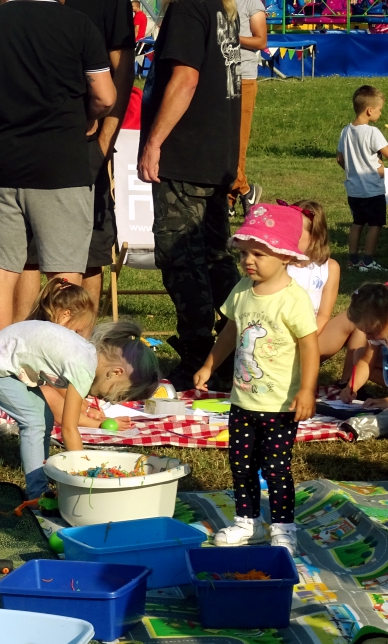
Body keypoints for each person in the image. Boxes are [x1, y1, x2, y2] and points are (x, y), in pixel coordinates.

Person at [0, 0, 116, 337]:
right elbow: (105, 96)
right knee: (65, 277)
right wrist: (87, 119)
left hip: (1, 164)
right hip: (63, 165)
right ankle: (60, 362)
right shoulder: (79, 25)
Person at [193, 204, 319, 555]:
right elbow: (230, 332)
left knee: (276, 469)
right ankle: (247, 521)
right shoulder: (242, 290)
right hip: (243, 401)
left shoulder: (293, 299)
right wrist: (209, 365)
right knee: (241, 464)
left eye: (258, 254)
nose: (248, 260)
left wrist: (308, 390)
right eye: (245, 253)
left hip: (280, 405)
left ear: (285, 256)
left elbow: (310, 346)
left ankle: (283, 527)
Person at [137, 0, 243, 390]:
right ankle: (237, 348)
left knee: (181, 256)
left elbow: (186, 80)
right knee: (215, 257)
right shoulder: (219, 7)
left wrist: (154, 142)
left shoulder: (188, 7)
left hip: (186, 154)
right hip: (213, 154)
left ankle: (199, 353)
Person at [0, 318, 158, 505]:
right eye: (114, 394)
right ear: (115, 372)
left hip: (4, 362)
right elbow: (69, 429)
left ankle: (41, 478)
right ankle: (37, 492)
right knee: (33, 422)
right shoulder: (84, 368)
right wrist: (86, 475)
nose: (107, 399)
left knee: (44, 419)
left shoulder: (87, 355)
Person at [64, 0, 136, 310]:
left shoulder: (108, 3)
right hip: (34, 143)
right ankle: (26, 334)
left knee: (91, 250)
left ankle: (81, 334)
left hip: (88, 142)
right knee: (27, 256)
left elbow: (123, 69)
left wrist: (105, 140)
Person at [338, 85, 388, 272]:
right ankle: (367, 261)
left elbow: (339, 158)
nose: (380, 113)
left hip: (354, 189)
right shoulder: (372, 132)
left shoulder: (346, 131)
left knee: (357, 222)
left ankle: (353, 260)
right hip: (372, 188)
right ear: (369, 110)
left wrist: (353, 170)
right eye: (380, 110)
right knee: (375, 224)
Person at [229, 0, 267, 216]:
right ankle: (245, 190)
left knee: (238, 144)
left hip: (244, 78)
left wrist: (231, 38)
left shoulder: (252, 3)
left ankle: (230, 199)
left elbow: (261, 40)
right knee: (222, 141)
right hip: (217, 76)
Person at [285, 200, 339, 334]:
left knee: (354, 318)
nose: (288, 237)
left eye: (296, 233)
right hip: (281, 333)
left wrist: (306, 340)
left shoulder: (330, 268)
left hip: (313, 332)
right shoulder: (280, 264)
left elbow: (323, 315)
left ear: (315, 236)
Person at [336, 284, 388, 404]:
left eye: (371, 332)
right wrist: (352, 386)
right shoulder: (380, 330)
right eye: (364, 332)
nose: (368, 337)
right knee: (359, 355)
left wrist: (385, 402)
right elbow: (366, 361)